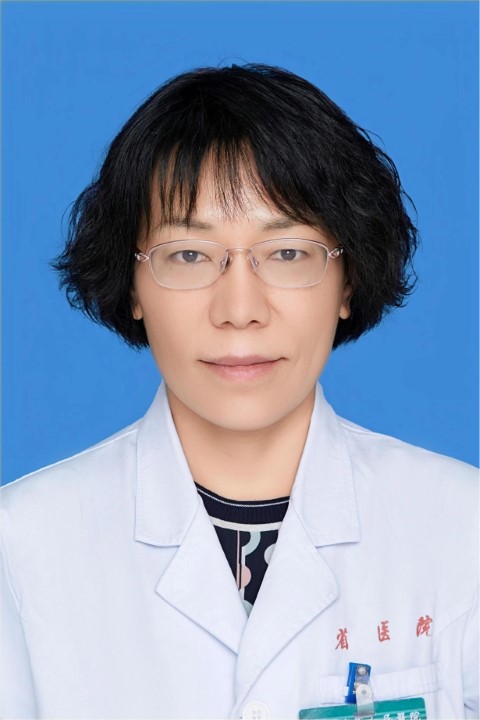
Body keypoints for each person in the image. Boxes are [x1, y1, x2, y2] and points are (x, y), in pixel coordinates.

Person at [0, 63, 477, 720]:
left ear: (347, 282)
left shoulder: (462, 529)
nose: (240, 310)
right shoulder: (20, 547)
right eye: (189, 256)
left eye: (287, 253)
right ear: (132, 286)